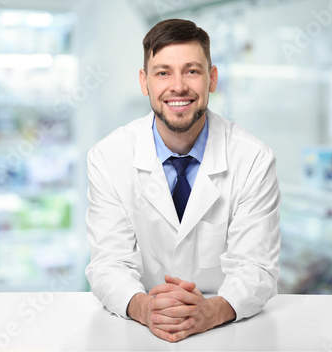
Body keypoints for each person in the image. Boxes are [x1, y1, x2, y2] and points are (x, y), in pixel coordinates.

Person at [85, 18, 281, 343]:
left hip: (228, 334)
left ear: (212, 78)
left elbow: (256, 267)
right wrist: (144, 308)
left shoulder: (253, 158)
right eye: (163, 72)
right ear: (144, 82)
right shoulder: (108, 157)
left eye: (191, 70)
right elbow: (108, 264)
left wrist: (212, 311)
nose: (178, 86)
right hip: (141, 334)